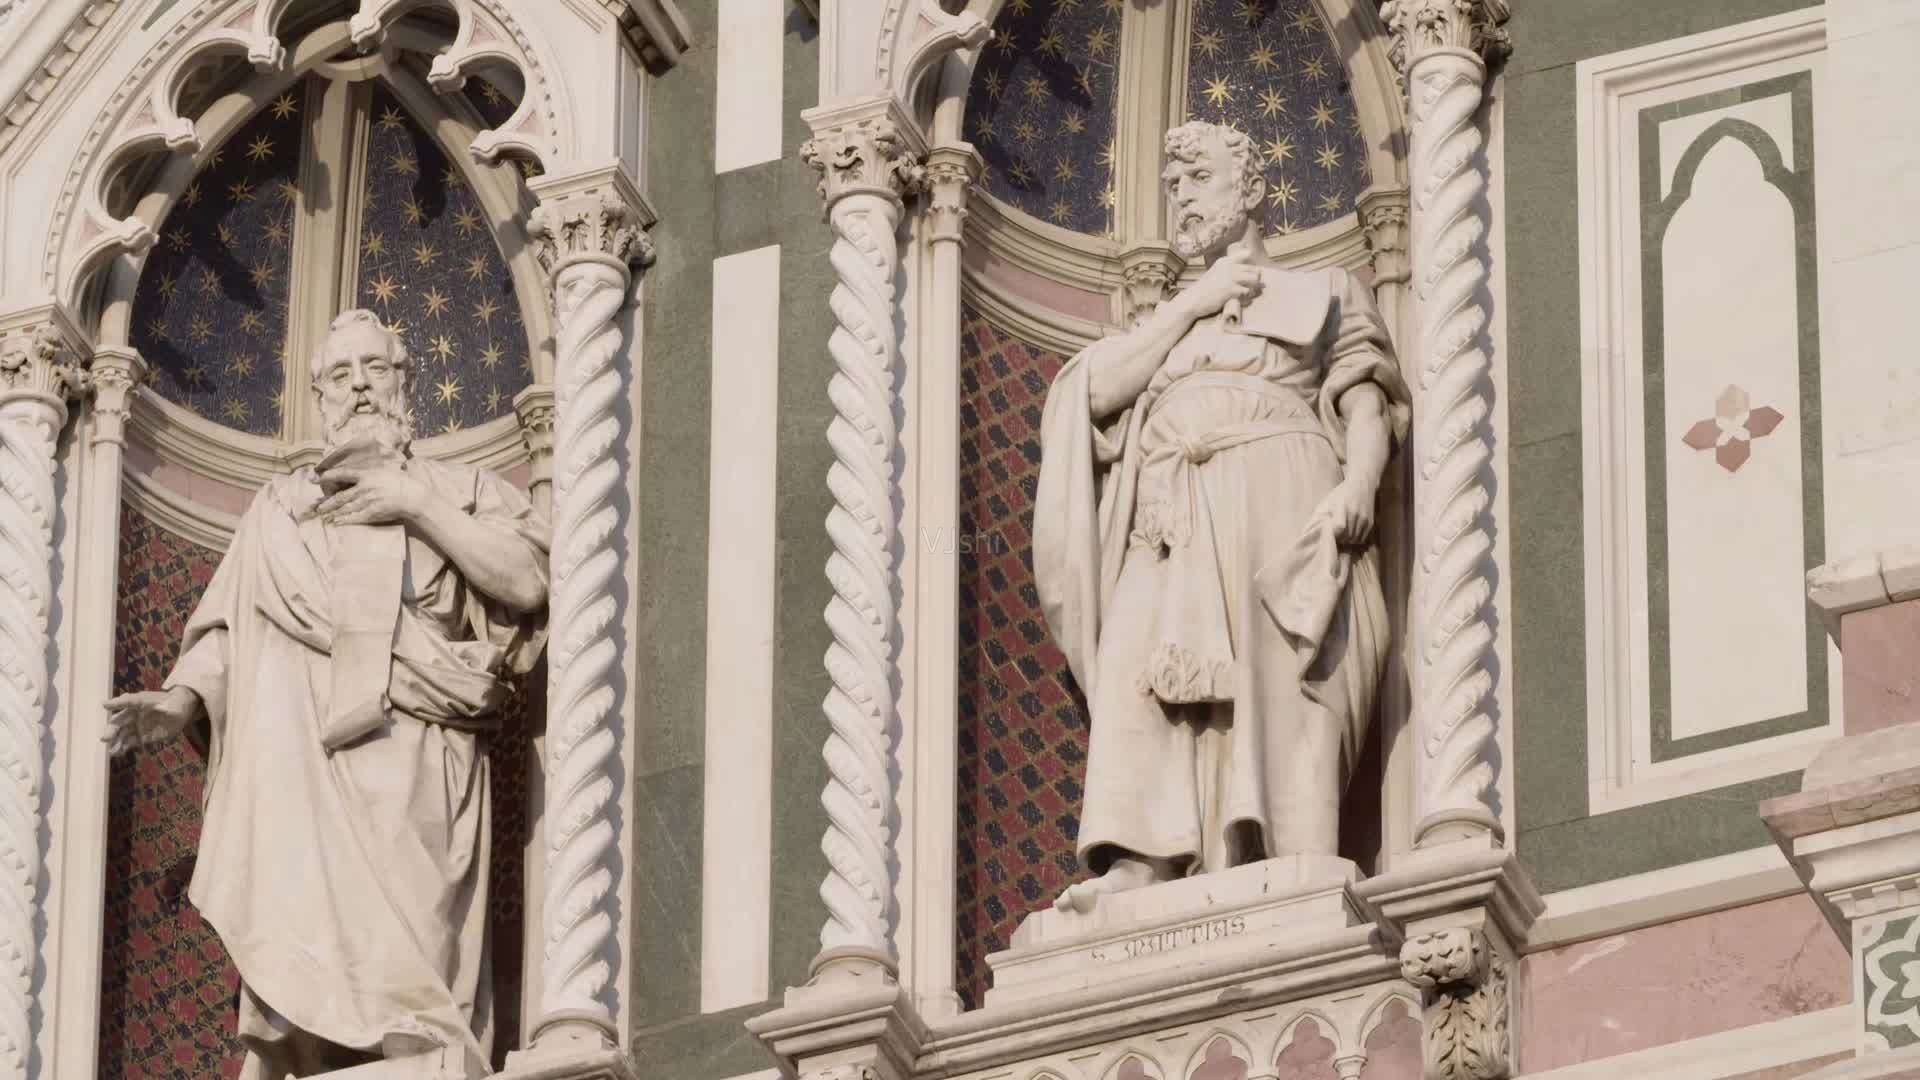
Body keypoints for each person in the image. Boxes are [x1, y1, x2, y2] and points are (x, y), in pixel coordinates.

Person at [105, 309, 549, 1076]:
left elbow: (527, 583)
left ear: (405, 382)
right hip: (302, 761)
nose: (360, 387)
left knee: (412, 951)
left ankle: (423, 1046)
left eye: (375, 368)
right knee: (299, 924)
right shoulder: (280, 511)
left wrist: (414, 504)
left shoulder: (461, 490)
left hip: (417, 758)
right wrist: (180, 702)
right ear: (319, 398)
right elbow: (234, 632)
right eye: (341, 375)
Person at [1033, 121, 1411, 914]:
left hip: (1279, 495)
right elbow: (1090, 396)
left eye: (1199, 179)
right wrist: (1192, 305)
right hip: (1169, 521)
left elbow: (1365, 399)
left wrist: (1359, 483)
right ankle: (1144, 857)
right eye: (1174, 186)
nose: (1183, 197)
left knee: (1282, 672)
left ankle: (1285, 849)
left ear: (1253, 189)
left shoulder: (1326, 290)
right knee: (1139, 663)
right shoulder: (1166, 325)